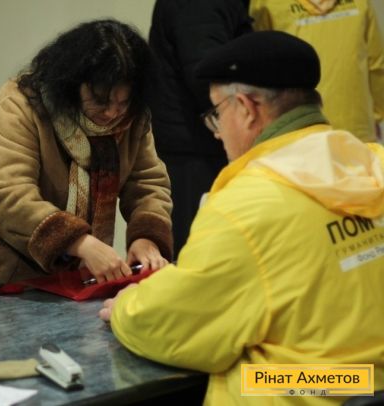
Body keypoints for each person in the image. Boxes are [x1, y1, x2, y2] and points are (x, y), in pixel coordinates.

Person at [99, 31, 384, 405]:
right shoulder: (374, 162)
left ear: (247, 108)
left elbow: (179, 324)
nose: (218, 134)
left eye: (217, 114)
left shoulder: (244, 206)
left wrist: (128, 307)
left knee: (240, 374)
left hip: (317, 390)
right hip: (369, 383)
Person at [0, 19, 173, 298]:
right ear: (72, 83)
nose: (111, 113)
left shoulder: (133, 117)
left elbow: (148, 185)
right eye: (100, 100)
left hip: (71, 275)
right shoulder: (20, 104)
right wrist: (80, 243)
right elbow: (10, 194)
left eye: (123, 102)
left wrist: (146, 238)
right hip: (1, 268)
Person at [146, 0, 252, 253]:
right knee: (204, 251)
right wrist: (248, 126)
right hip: (197, 151)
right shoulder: (200, 5)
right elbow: (208, 76)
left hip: (196, 146)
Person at [249, 0, 384, 143]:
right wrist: (376, 115)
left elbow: (261, 70)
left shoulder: (265, 4)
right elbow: (376, 63)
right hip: (357, 129)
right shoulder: (360, 2)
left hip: (300, 131)